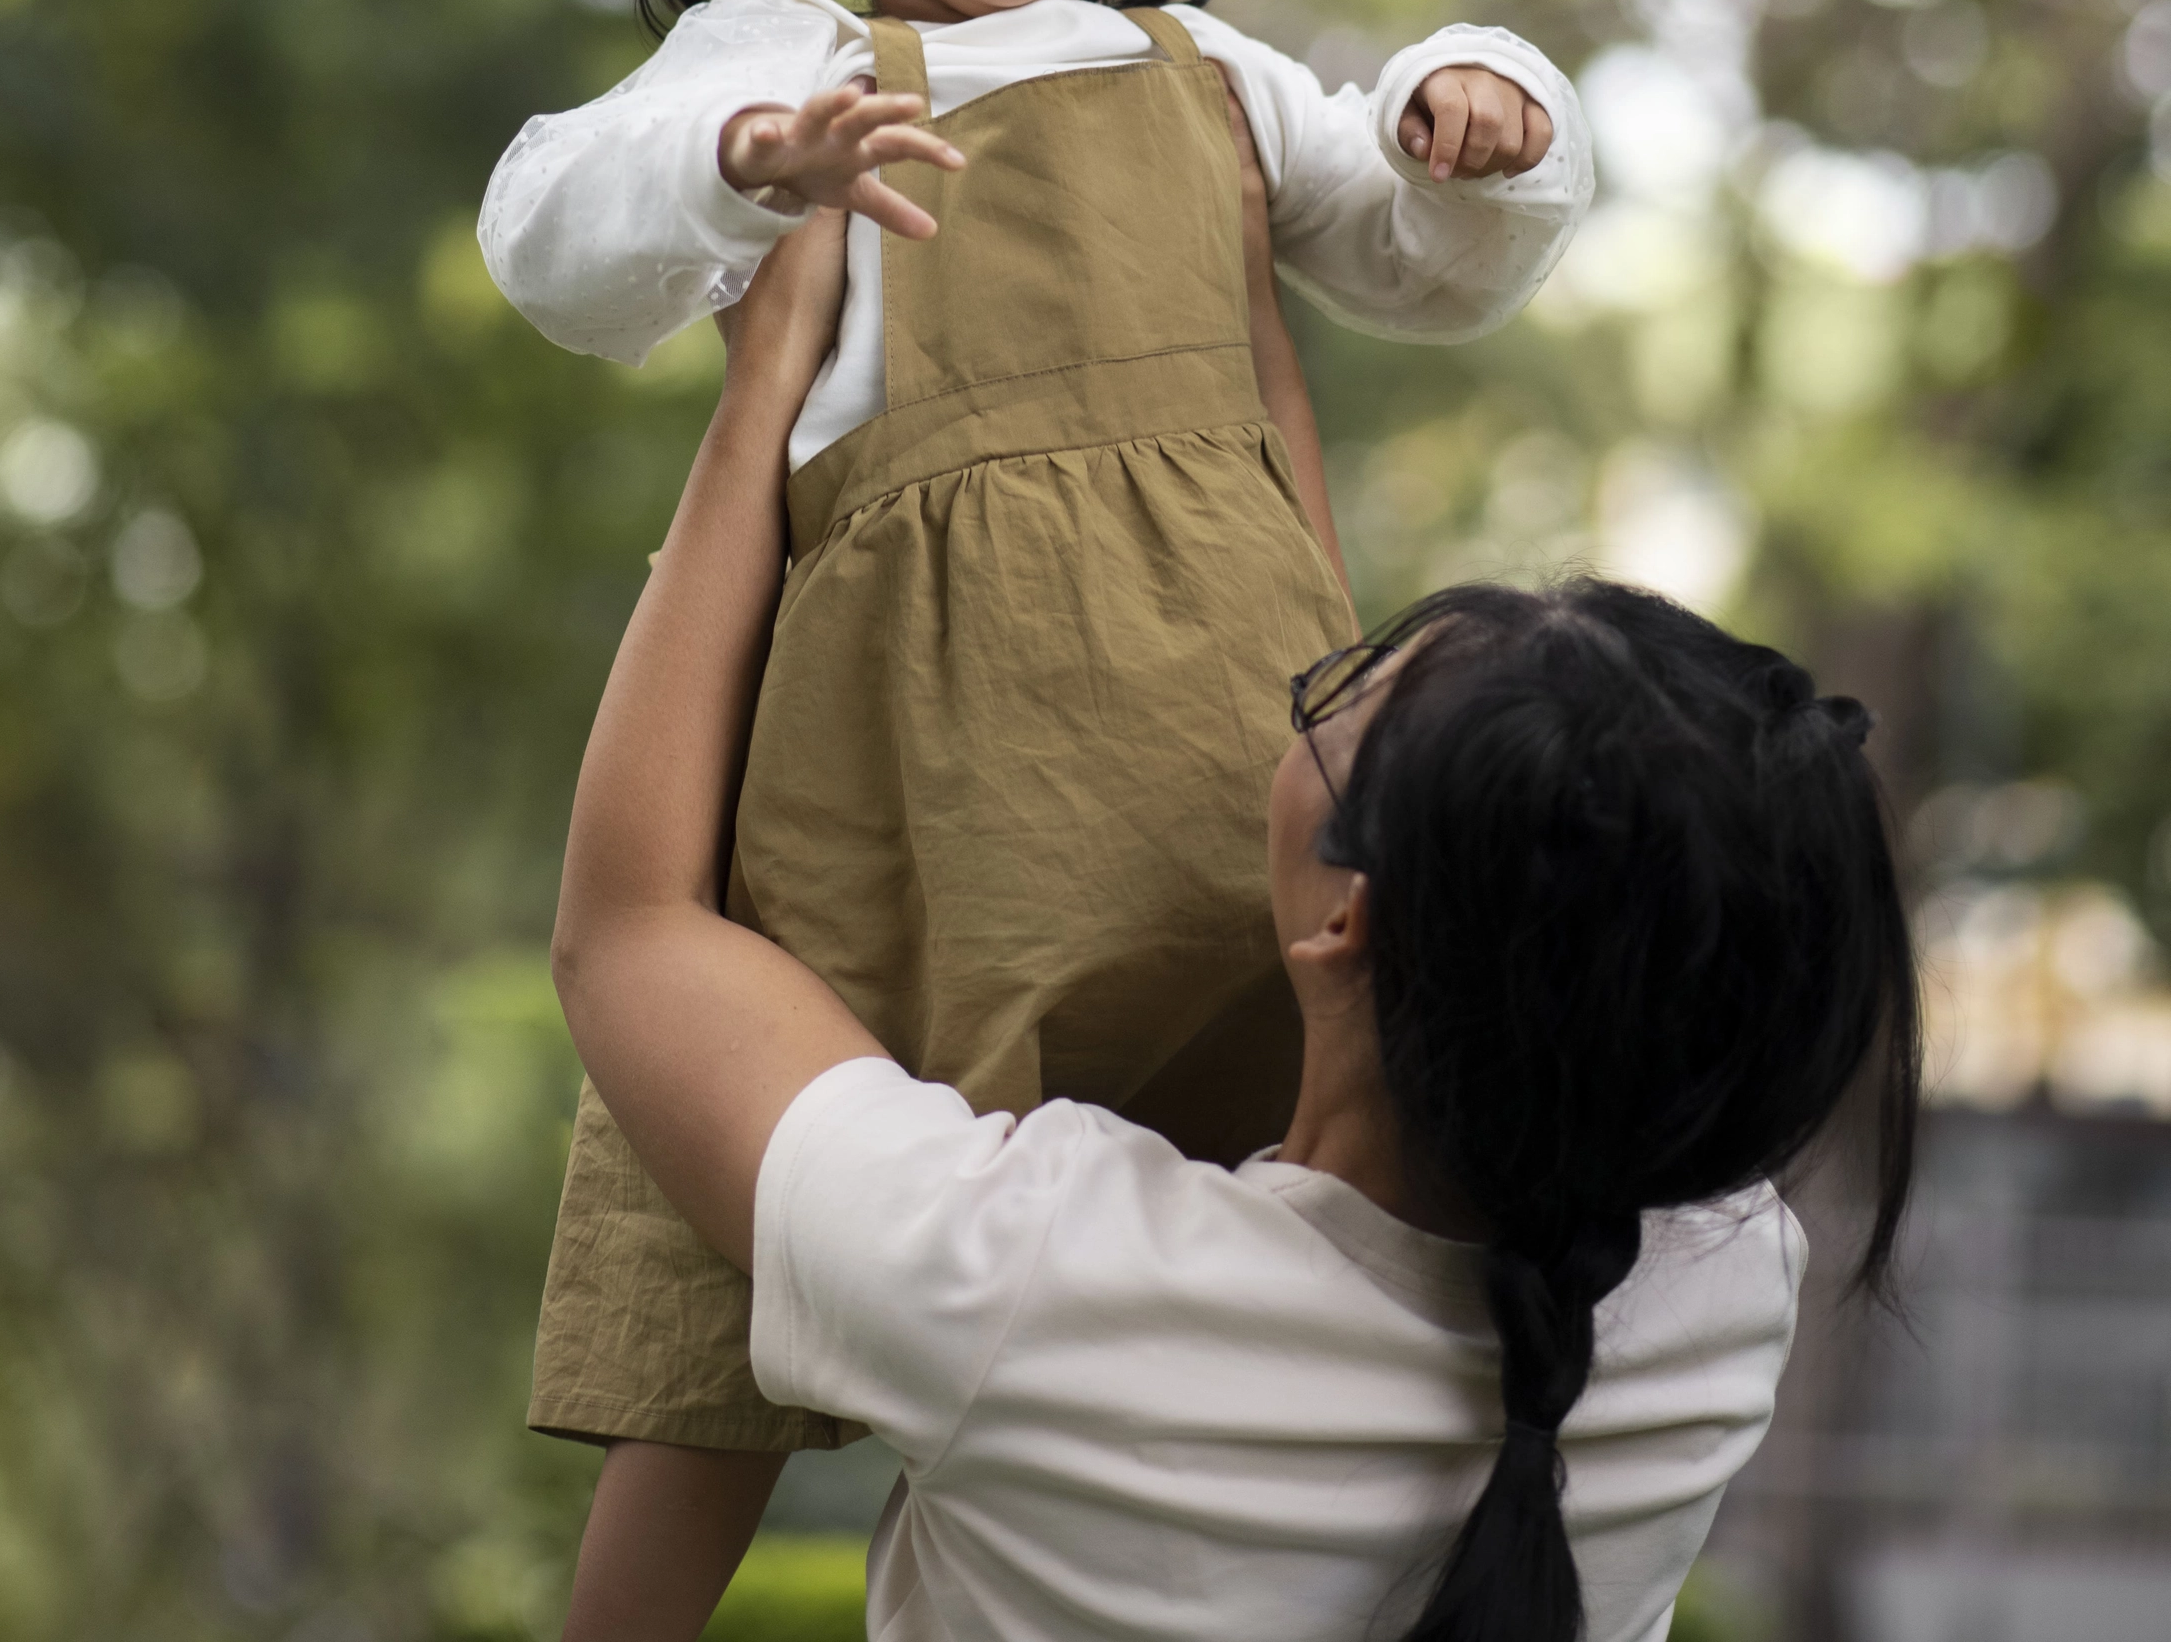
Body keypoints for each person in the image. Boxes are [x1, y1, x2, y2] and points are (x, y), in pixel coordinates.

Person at [480, 0, 1594, 1597]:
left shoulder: (1212, 79)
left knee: (1284, 1251)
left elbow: (1425, 260)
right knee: (723, 1335)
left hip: (1214, 794)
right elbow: (552, 233)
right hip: (904, 800)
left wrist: (1475, 114)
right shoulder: (801, 55)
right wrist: (742, 159)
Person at [552, 213, 1920, 1642]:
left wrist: (758, 395)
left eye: (1334, 701)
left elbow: (631, 931)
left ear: (1349, 917)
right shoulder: (1715, 1295)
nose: (1299, 687)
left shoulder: (1032, 1286)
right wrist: (1242, 331)